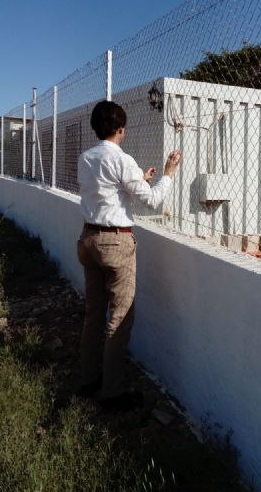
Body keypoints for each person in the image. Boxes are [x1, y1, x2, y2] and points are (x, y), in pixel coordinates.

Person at [76, 100, 181, 411]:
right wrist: (168, 174)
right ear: (120, 129)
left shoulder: (85, 157)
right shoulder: (121, 160)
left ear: (96, 128)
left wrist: (139, 179)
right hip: (115, 244)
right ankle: (112, 393)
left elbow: (106, 190)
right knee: (119, 318)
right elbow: (151, 202)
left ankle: (88, 380)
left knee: (94, 315)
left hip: (88, 239)